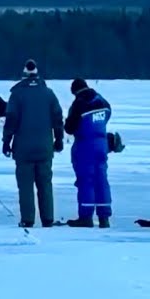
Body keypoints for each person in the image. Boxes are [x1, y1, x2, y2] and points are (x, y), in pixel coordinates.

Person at [2, 60, 64, 228]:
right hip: (45, 147)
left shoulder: (17, 95)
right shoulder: (49, 94)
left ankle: (28, 219)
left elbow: (11, 120)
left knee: (25, 186)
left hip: (23, 149)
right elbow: (58, 119)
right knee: (45, 184)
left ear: (23, 76)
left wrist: (6, 142)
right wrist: (58, 140)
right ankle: (48, 218)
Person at [64, 79, 113, 228]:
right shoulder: (102, 101)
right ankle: (104, 218)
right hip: (101, 144)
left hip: (85, 144)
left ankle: (85, 217)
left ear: (75, 91)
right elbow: (108, 114)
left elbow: (69, 128)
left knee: (86, 180)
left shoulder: (79, 104)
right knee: (101, 180)